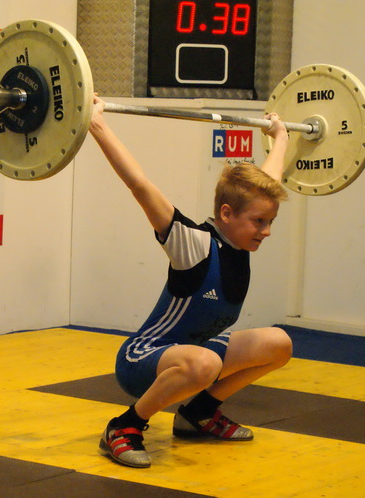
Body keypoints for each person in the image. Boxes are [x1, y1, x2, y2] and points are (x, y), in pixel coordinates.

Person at [89, 95, 294, 468]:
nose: (266, 231)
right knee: (204, 362)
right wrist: (96, 123)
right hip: (143, 361)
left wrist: (280, 137)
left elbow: (268, 184)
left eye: (269, 222)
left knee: (279, 343)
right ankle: (124, 426)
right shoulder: (194, 244)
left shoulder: (239, 242)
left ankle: (198, 412)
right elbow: (139, 185)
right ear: (226, 214)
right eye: (259, 222)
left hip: (197, 357)